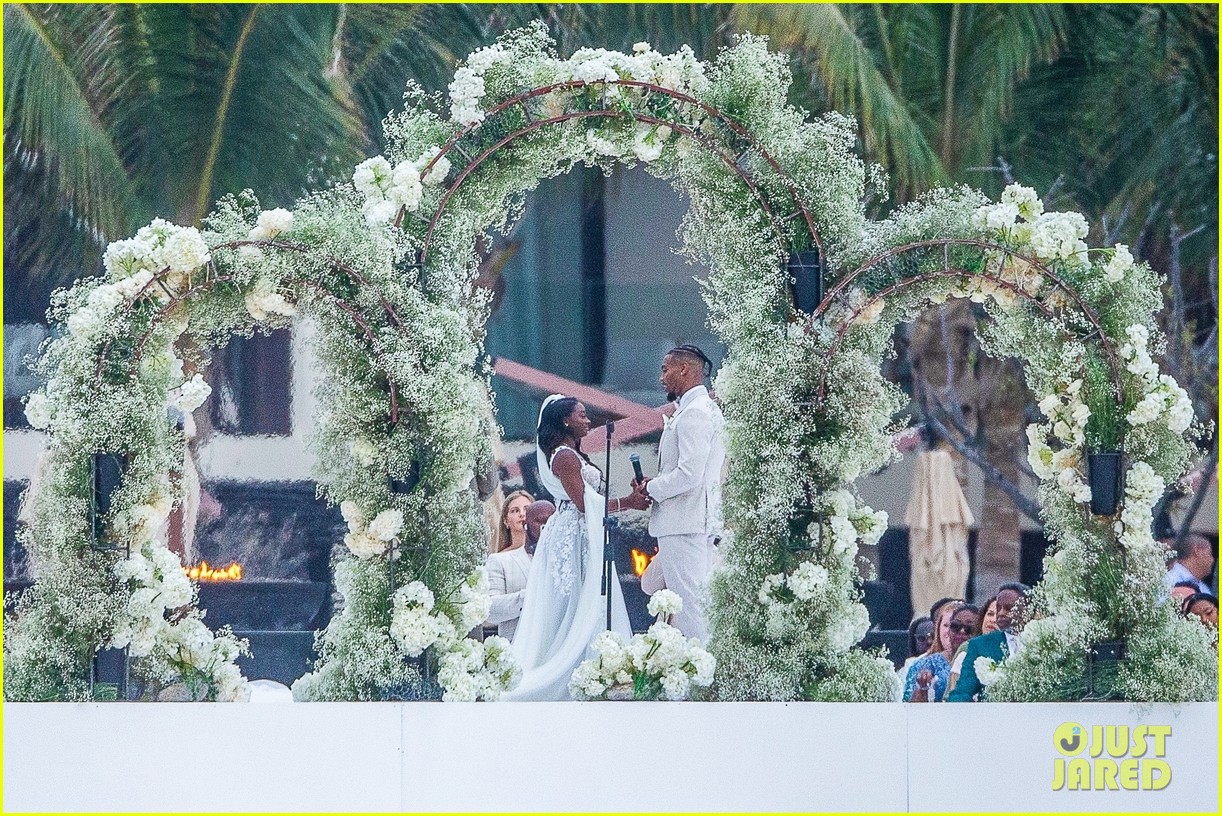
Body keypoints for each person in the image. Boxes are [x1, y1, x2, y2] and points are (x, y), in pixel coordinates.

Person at [502, 396, 648, 701]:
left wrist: (625, 501)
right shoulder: (565, 457)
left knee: (586, 600)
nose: (588, 420)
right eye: (581, 415)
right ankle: (569, 673)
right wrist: (628, 502)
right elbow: (583, 504)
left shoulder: (572, 454)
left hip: (583, 533)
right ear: (565, 420)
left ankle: (590, 667)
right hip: (573, 536)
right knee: (574, 602)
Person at [633, 345, 726, 640]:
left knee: (690, 606)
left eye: (665, 370)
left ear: (684, 369)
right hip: (691, 521)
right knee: (674, 593)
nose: (661, 378)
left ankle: (701, 665)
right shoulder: (701, 409)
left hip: (684, 523)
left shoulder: (694, 413)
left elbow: (689, 475)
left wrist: (651, 487)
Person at [947, 582, 1029, 702]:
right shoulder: (980, 645)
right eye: (998, 608)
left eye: (1008, 608)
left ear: (1026, 610)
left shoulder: (1043, 642)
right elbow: (962, 692)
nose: (1001, 613)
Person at [482, 491, 535, 641]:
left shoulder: (549, 556)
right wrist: (530, 596)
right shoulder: (498, 560)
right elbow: (491, 609)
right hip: (516, 643)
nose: (522, 514)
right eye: (515, 511)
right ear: (505, 520)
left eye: (527, 509)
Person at [905, 604, 979, 702]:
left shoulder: (987, 663)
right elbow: (908, 707)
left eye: (969, 628)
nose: (961, 631)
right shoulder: (925, 664)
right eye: (955, 626)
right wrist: (922, 689)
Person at [895, 616, 933, 694]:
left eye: (933, 636)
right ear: (914, 642)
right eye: (922, 638)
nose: (929, 642)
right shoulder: (906, 669)